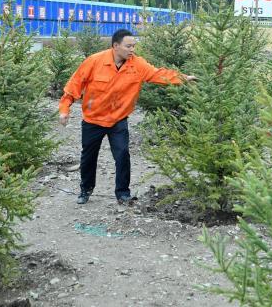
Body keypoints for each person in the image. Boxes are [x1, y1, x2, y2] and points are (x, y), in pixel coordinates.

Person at [59, 29, 195, 204]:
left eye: (134, 46)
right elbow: (73, 86)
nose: (132, 49)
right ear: (115, 46)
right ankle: (86, 189)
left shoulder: (137, 64)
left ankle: (123, 193)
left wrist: (183, 78)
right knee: (88, 157)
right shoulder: (94, 61)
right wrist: (64, 110)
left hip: (118, 119)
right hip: (93, 119)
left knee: (123, 155)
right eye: (128, 46)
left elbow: (158, 74)